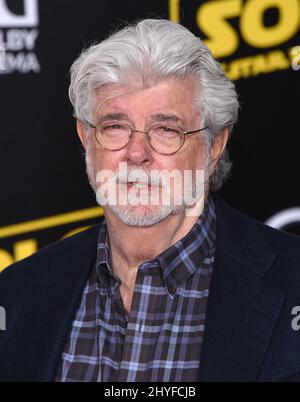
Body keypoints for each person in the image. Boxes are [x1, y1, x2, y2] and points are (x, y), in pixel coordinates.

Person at [1, 19, 300, 383]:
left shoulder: (293, 281)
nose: (136, 153)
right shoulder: (18, 292)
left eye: (166, 129)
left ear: (214, 145)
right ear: (86, 137)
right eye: (115, 126)